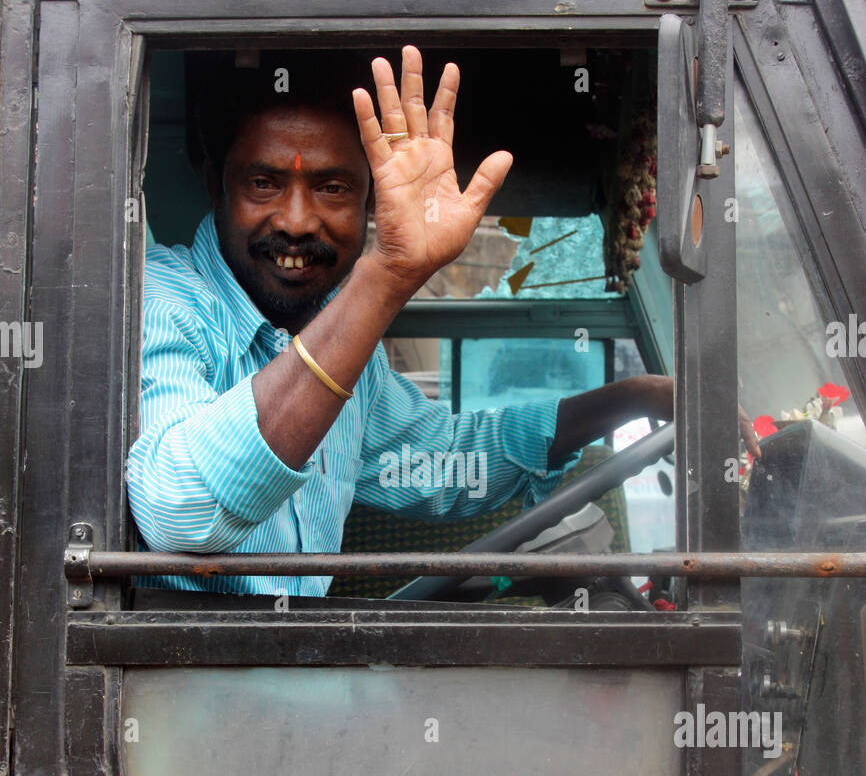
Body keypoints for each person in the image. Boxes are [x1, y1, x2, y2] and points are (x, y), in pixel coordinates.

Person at [126, 47, 752, 598]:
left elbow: (450, 463)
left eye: (334, 188)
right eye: (263, 184)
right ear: (215, 185)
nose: (297, 220)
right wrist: (387, 274)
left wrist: (633, 396)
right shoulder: (161, 301)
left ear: (368, 201)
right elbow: (180, 511)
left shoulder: (351, 364)